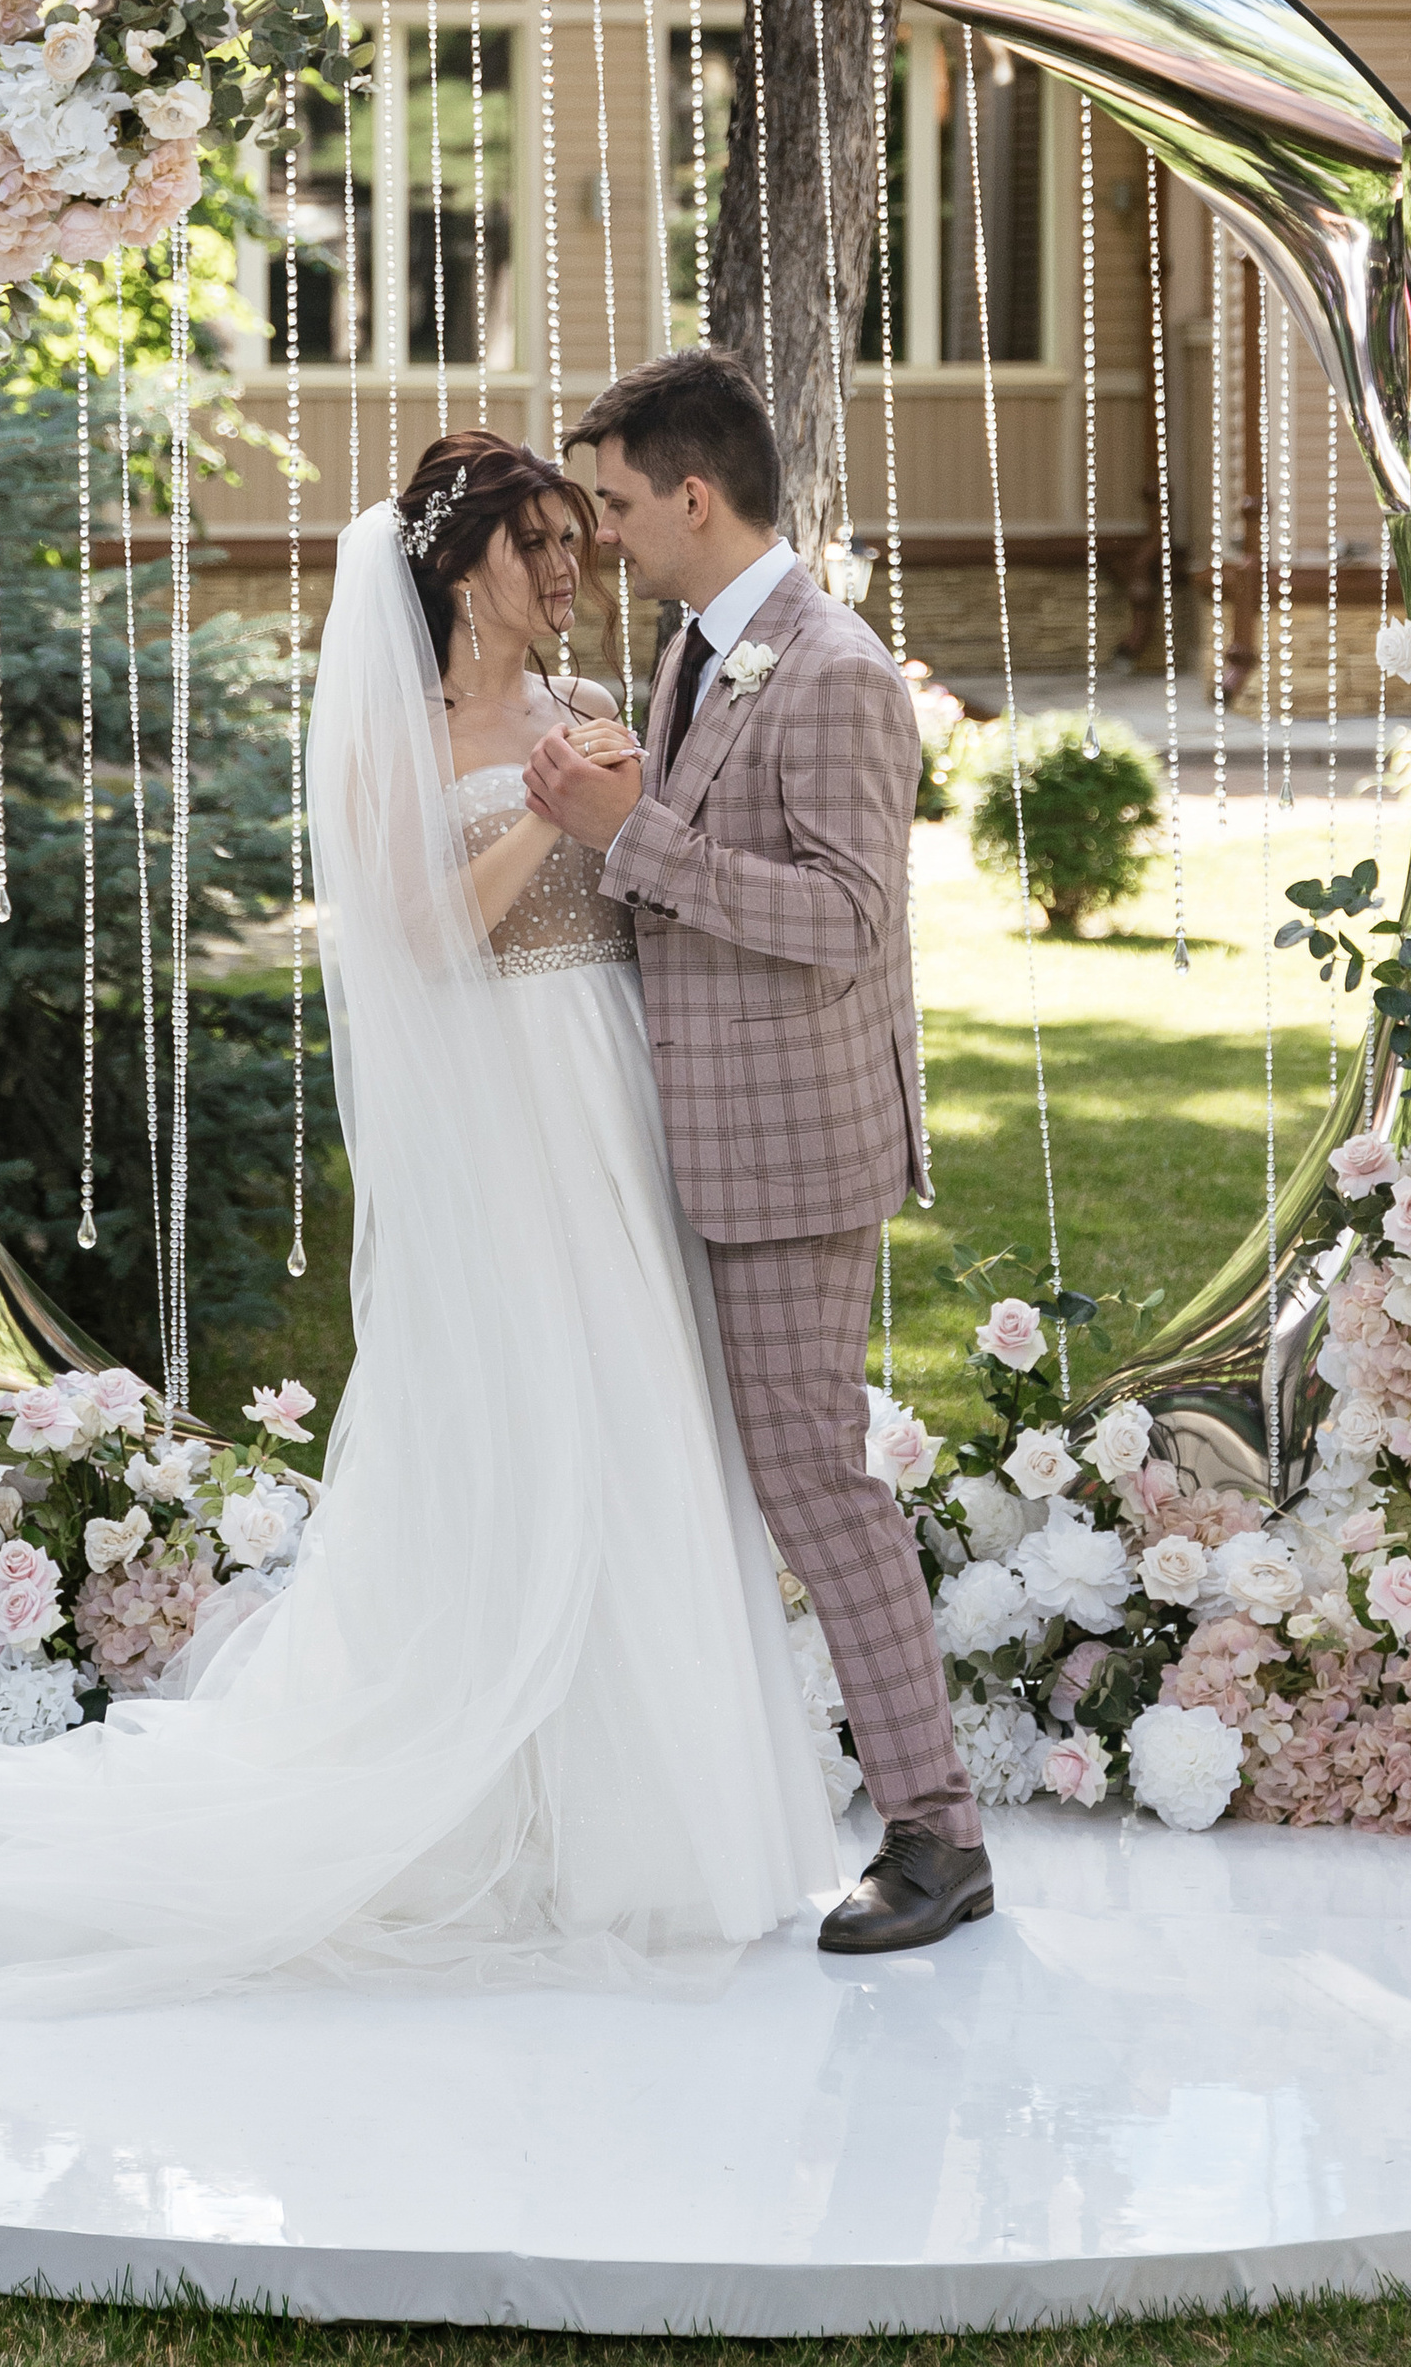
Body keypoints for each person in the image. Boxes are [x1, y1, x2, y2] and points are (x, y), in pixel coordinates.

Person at [0, 430, 834, 2015]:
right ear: (458, 564)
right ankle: (495, 1794)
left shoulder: (596, 709)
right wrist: (550, 813)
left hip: (616, 1081)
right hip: (503, 1102)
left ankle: (659, 1816)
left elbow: (660, 894)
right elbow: (411, 933)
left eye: (573, 544)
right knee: (530, 1410)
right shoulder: (400, 729)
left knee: (648, 1414)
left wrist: (604, 800)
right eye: (534, 544)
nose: (563, 573)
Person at [529, 348, 991, 1955]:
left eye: (615, 503)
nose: (602, 534)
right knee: (745, 1475)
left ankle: (938, 1832)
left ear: (695, 495)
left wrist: (630, 841)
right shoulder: (705, 650)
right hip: (700, 1131)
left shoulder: (836, 669)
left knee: (815, 1480)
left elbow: (851, 921)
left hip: (792, 1147)